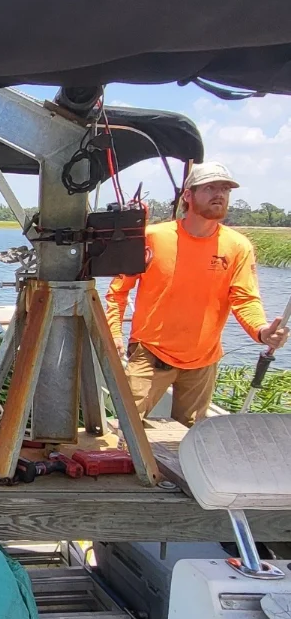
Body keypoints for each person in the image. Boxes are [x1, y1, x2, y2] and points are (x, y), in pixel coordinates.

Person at [105, 161, 288, 427]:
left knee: (191, 439)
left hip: (203, 362)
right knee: (125, 429)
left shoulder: (238, 246)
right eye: (210, 187)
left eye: (225, 189)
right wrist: (113, 334)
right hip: (151, 355)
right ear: (188, 195)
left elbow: (244, 298)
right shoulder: (152, 237)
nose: (220, 194)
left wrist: (261, 331)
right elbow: (118, 291)